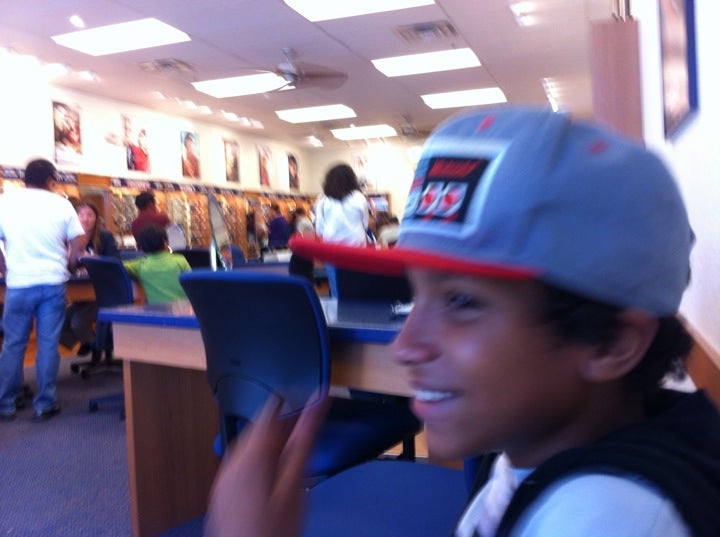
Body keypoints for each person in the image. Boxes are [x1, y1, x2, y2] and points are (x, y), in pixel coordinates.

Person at [203, 107, 720, 537]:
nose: (405, 347)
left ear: (612, 344)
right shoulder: (537, 449)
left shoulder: (608, 519)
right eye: (415, 293)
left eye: (462, 301)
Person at [0, 158, 85, 422]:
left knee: (13, 345)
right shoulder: (61, 204)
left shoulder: (5, 202)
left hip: (19, 283)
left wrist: (6, 269)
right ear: (50, 180)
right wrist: (70, 264)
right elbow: (79, 242)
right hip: (52, 282)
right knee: (48, 345)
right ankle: (44, 403)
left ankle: (6, 403)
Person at [60, 200, 120, 355]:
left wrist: (93, 259)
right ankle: (90, 342)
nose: (85, 219)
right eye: (80, 215)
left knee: (78, 321)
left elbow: (116, 262)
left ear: (96, 218)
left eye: (89, 215)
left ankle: (96, 346)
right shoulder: (69, 238)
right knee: (57, 322)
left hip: (102, 294)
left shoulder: (104, 237)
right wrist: (69, 258)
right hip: (79, 295)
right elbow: (66, 268)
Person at [313, 163, 368, 296]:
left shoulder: (322, 200)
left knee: (335, 286)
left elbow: (319, 229)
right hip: (356, 248)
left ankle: (337, 308)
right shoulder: (359, 197)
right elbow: (365, 224)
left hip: (331, 249)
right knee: (357, 285)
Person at [122, 225, 191, 304]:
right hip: (182, 308)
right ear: (165, 242)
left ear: (141, 247)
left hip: (156, 310)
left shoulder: (139, 265)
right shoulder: (180, 260)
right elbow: (192, 284)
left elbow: (116, 266)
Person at [287, 207, 315, 283]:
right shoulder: (306, 221)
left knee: (298, 273)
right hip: (306, 252)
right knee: (306, 274)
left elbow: (303, 236)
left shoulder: (302, 222)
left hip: (302, 252)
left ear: (296, 214)